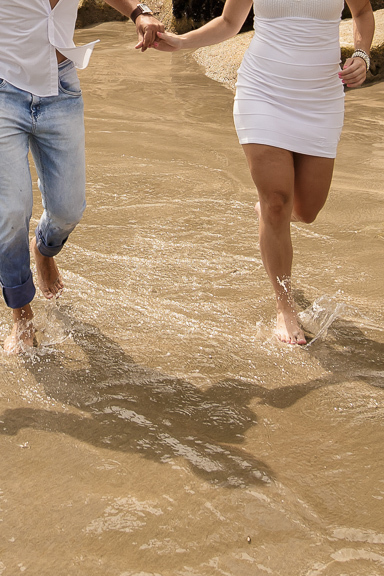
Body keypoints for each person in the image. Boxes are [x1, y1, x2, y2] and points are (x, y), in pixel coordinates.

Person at [0, 0, 164, 354]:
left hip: (61, 86)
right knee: (11, 208)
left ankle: (43, 248)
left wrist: (138, 12)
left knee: (69, 208)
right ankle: (21, 317)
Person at [154, 0, 375, 345]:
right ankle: (284, 308)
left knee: (307, 211)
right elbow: (230, 22)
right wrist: (182, 42)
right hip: (263, 92)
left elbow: (362, 13)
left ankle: (272, 214)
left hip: (321, 97)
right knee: (276, 201)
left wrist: (362, 56)